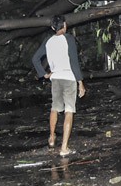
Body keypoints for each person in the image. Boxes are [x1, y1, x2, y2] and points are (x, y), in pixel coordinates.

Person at [32, 15, 86, 156]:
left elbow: (35, 59)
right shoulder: (69, 39)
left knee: (55, 108)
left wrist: (44, 74)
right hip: (69, 78)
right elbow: (74, 62)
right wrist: (80, 82)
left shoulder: (48, 41)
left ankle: (51, 137)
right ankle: (64, 148)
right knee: (69, 111)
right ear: (65, 25)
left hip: (55, 78)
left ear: (52, 27)